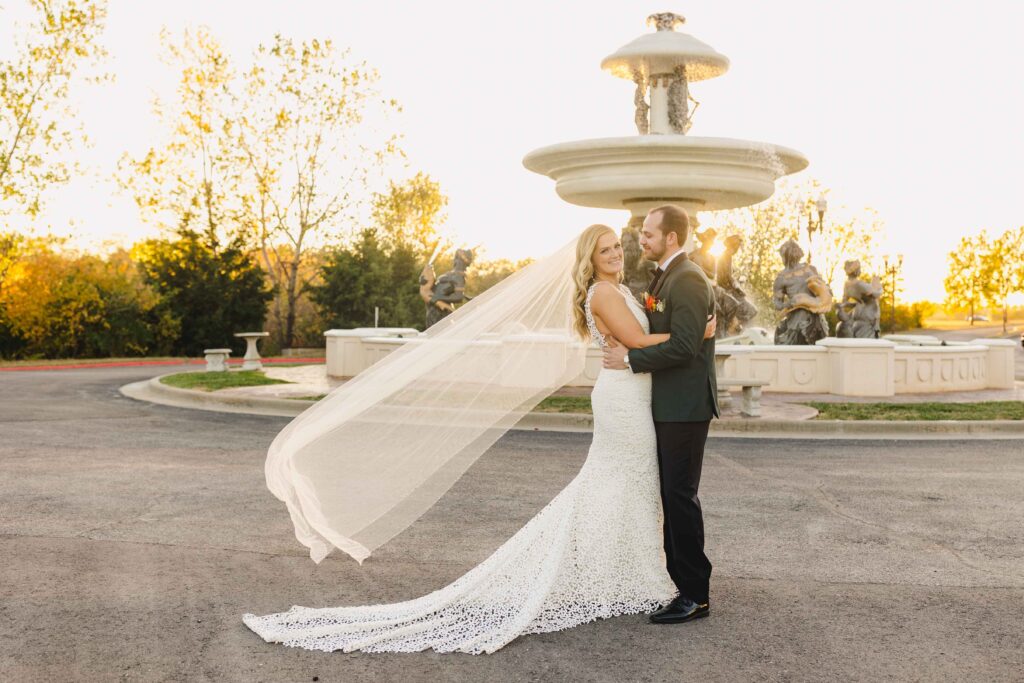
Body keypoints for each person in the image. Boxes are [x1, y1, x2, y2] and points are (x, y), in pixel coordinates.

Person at [243, 223, 715, 654]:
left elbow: (639, 337)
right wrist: (694, 336)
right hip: (623, 400)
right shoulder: (603, 294)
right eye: (604, 249)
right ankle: (620, 575)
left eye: (616, 246)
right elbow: (634, 342)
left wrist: (679, 333)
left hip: (631, 397)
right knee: (619, 482)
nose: (615, 253)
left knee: (629, 486)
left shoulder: (617, 288)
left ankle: (636, 574)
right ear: (588, 259)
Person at [602, 204, 719, 624]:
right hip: (668, 404)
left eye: (649, 233)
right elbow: (673, 333)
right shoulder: (667, 275)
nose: (642, 238)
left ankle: (695, 594)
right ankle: (677, 583)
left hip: (685, 407)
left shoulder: (687, 278)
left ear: (671, 237)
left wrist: (631, 360)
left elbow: (686, 347)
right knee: (670, 495)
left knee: (680, 497)